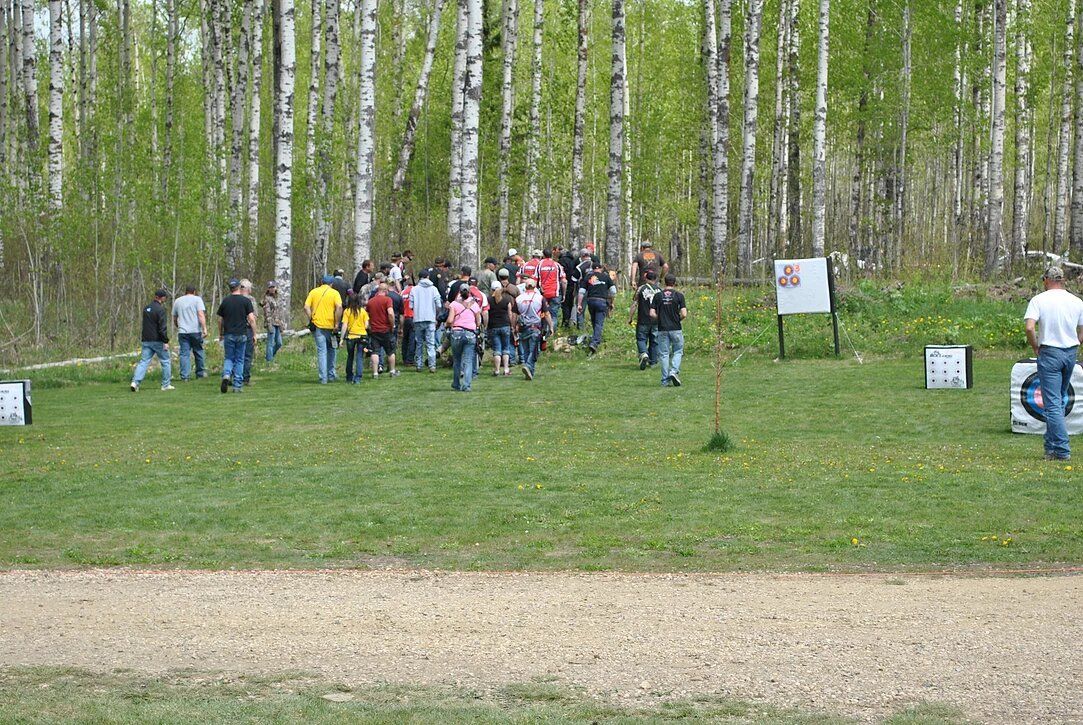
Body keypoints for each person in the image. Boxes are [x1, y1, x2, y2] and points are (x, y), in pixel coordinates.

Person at [1024, 266, 1083, 460]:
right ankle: (1050, 448)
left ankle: (1061, 449)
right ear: (1063, 280)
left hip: (1049, 352)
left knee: (1052, 404)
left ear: (1046, 280)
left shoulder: (1039, 300)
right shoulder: (1076, 301)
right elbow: (1082, 330)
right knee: (1058, 399)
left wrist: (1035, 347)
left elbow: (1030, 327)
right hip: (1070, 352)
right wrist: (1076, 342)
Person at [217, 278, 257, 393]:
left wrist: (221, 333)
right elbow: (251, 319)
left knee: (229, 358)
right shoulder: (245, 301)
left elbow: (220, 320)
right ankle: (237, 385)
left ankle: (226, 374)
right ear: (239, 287)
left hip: (229, 334)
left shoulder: (225, 301)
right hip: (242, 334)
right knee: (240, 359)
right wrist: (254, 334)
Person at [130, 289, 174, 392]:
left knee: (144, 362)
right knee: (166, 361)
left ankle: (135, 382)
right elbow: (162, 327)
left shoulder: (146, 308)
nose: (165, 299)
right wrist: (165, 341)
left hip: (146, 339)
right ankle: (166, 385)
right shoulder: (160, 310)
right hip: (158, 340)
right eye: (164, 297)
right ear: (161, 298)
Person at [304, 274, 344, 384]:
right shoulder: (334, 293)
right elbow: (339, 307)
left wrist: (311, 318)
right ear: (331, 284)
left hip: (318, 325)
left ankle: (323, 378)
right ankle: (331, 374)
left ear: (321, 282)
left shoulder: (314, 292)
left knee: (322, 351)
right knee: (332, 350)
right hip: (331, 326)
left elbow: (306, 306)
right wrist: (337, 323)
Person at [650, 274, 688, 387]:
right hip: (675, 328)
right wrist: (678, 319)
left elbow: (651, 313)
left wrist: (660, 318)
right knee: (678, 351)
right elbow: (684, 314)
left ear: (664, 282)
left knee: (664, 354)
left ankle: (664, 380)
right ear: (674, 283)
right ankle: (673, 371)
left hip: (662, 329)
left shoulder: (658, 296)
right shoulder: (679, 295)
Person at [447, 285, 481, 391]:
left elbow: (449, 320)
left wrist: (448, 325)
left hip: (457, 332)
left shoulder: (454, 304)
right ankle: (466, 385)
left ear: (459, 292)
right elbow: (478, 321)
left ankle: (456, 383)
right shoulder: (475, 305)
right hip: (470, 333)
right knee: (468, 360)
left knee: (457, 360)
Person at [578, 261, 616, 354]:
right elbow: (613, 291)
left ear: (593, 268)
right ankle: (594, 343)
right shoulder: (606, 277)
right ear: (601, 268)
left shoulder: (588, 277)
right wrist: (611, 301)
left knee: (594, 321)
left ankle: (595, 338)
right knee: (599, 323)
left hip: (591, 301)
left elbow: (581, 291)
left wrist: (579, 304)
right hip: (602, 301)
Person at [172, 284, 207, 381]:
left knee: (184, 354)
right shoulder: (197, 300)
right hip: (195, 330)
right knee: (198, 351)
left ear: (185, 291)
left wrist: (178, 326)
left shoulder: (178, 301)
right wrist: (204, 328)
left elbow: (175, 317)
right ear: (194, 291)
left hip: (183, 331)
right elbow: (200, 314)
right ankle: (200, 373)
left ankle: (185, 376)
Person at [366, 281, 400, 378]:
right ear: (385, 290)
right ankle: (392, 371)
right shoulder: (387, 300)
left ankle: (375, 373)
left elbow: (366, 315)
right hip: (386, 329)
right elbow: (390, 313)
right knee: (390, 351)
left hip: (374, 330)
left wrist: (369, 326)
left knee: (375, 351)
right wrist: (392, 325)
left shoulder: (371, 301)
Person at [516, 277, 548, 380]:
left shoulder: (519, 298)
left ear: (525, 287)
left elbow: (514, 314)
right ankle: (528, 366)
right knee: (534, 350)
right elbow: (546, 314)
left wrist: (513, 327)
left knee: (525, 350)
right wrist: (550, 326)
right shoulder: (539, 298)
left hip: (523, 327)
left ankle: (530, 372)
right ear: (535, 287)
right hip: (535, 327)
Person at [410, 270, 442, 372]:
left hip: (418, 319)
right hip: (430, 318)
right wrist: (435, 315)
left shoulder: (414, 290)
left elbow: (410, 306)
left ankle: (419, 365)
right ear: (428, 277)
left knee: (419, 343)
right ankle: (432, 365)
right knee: (430, 343)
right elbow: (439, 305)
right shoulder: (434, 289)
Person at [629, 270, 661, 370]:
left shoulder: (641, 289)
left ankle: (643, 354)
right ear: (655, 279)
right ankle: (653, 361)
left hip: (643, 319)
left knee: (641, 338)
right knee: (654, 341)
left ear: (646, 278)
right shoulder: (660, 290)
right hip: (656, 320)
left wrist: (630, 317)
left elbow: (634, 304)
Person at [488, 280, 515, 376]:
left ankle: (497, 370)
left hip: (493, 326)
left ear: (491, 290)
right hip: (505, 325)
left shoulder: (489, 300)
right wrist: (512, 325)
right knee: (506, 348)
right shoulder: (506, 300)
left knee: (497, 349)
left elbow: (486, 313)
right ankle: (506, 369)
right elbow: (510, 314)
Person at [341, 292, 369, 384]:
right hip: (361, 336)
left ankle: (349, 376)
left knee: (350, 356)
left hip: (351, 336)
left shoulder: (347, 311)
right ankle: (358, 378)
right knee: (359, 356)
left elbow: (344, 325)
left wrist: (341, 338)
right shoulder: (363, 311)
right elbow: (366, 325)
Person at [537, 249, 565, 333]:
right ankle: (551, 334)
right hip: (555, 293)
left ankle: (543, 333)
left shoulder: (540, 264)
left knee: (543, 313)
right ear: (551, 255)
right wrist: (563, 294)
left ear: (543, 255)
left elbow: (535, 279)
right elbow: (564, 281)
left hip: (543, 294)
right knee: (553, 315)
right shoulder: (557, 265)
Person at [261, 280, 286, 363]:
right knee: (270, 342)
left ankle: (270, 355)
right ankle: (269, 361)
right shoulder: (266, 298)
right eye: (270, 287)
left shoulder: (278, 298)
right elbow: (266, 313)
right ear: (268, 289)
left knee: (279, 343)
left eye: (273, 287)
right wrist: (269, 324)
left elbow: (281, 311)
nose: (272, 289)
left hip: (278, 323)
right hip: (271, 322)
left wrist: (282, 324)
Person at [239, 279, 257, 385]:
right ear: (248, 289)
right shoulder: (251, 300)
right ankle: (245, 378)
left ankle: (235, 376)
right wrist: (255, 333)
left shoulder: (232, 298)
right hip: (247, 329)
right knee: (247, 355)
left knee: (236, 355)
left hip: (234, 329)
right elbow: (253, 317)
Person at [558, 246, 579, 328]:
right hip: (572, 284)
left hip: (563, 283)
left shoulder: (561, 261)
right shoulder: (573, 261)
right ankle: (568, 321)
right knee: (570, 303)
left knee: (564, 304)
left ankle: (565, 322)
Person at [400, 276, 416, 367]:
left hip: (404, 317)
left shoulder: (403, 292)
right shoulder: (415, 291)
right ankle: (410, 360)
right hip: (413, 316)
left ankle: (404, 358)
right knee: (412, 339)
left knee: (405, 339)